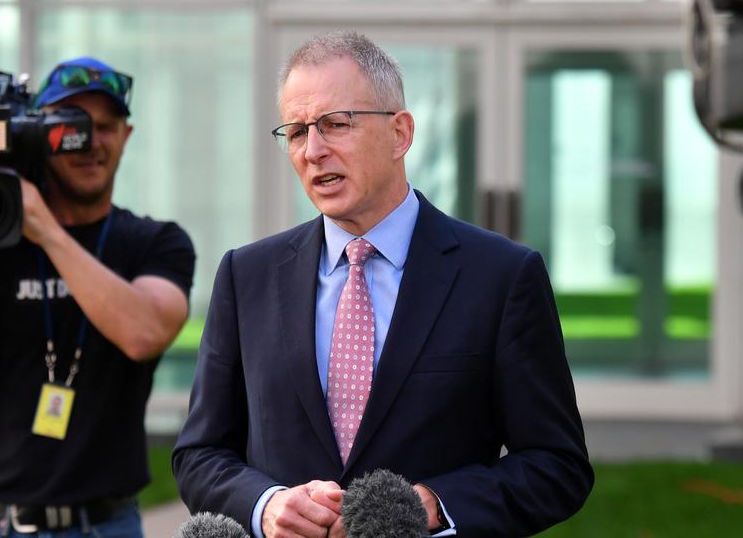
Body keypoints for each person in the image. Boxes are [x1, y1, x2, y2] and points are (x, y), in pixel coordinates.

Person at [173, 32, 592, 537]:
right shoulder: (247, 275)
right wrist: (266, 506)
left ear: (400, 134)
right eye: (298, 131)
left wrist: (430, 507)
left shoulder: (501, 276)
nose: (313, 150)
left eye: (335, 124)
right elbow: (200, 453)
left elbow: (557, 465)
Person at [0, 56, 196, 537]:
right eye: (71, 128)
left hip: (105, 524)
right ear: (38, 138)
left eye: (105, 127)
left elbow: (144, 334)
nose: (90, 143)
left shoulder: (155, 242)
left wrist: (45, 231)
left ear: (127, 136)